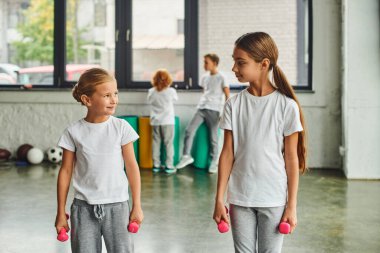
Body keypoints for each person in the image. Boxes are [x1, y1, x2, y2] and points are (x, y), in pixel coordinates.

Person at [213, 32, 307, 253]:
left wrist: (291, 206)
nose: (234, 68)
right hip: (240, 197)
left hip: (273, 198)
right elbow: (227, 154)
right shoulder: (233, 105)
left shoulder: (286, 106)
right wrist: (219, 198)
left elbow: (291, 159)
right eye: (234, 61)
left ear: (263, 64)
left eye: (241, 62)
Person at [54, 68, 143, 253]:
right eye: (107, 95)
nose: (114, 100)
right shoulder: (73, 132)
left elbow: (132, 167)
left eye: (116, 94)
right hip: (83, 208)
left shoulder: (121, 128)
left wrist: (137, 205)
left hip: (118, 207)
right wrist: (61, 212)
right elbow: (65, 172)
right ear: (87, 100)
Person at [176, 53, 230, 173]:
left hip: (215, 110)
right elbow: (205, 92)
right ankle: (186, 156)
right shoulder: (204, 77)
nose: (204, 64)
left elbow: (227, 95)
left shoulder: (222, 77)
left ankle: (214, 163)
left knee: (214, 138)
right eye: (204, 62)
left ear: (215, 63)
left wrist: (225, 112)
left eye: (206, 62)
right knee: (189, 130)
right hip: (201, 108)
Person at [147, 69, 178, 174]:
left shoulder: (151, 92)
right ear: (167, 79)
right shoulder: (171, 91)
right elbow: (175, 100)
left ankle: (156, 165)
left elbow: (149, 101)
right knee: (168, 144)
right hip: (168, 122)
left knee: (156, 143)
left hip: (155, 121)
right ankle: (169, 166)